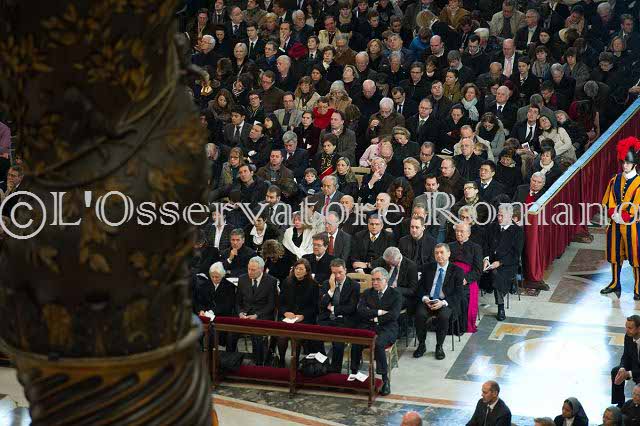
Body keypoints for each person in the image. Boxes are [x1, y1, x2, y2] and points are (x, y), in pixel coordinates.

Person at [350, 267, 402, 396]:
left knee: (379, 344)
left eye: (378, 279)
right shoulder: (367, 293)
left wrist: (373, 316)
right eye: (373, 280)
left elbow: (394, 315)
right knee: (357, 340)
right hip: (368, 325)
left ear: (386, 280)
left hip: (388, 327)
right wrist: (378, 312)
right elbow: (361, 311)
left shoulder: (395, 294)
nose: (374, 282)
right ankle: (354, 372)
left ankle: (384, 379)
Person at [600, 137, 640, 299]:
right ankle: (615, 282)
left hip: (633, 226)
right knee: (614, 253)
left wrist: (623, 215)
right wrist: (613, 213)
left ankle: (638, 286)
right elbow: (609, 199)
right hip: (616, 223)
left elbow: (637, 206)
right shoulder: (615, 179)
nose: (625, 166)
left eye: (628, 163)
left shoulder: (639, 183)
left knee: (636, 255)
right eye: (623, 162)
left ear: (635, 164)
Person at [414, 243, 464, 360]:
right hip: (429, 300)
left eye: (442, 252)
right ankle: (422, 344)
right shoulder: (427, 267)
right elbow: (420, 287)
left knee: (443, 317)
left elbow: (458, 293)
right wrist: (425, 298)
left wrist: (443, 303)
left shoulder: (457, 271)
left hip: (445, 302)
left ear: (449, 254)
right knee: (420, 314)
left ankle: (439, 346)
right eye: (436, 253)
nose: (439, 255)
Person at [317, 259, 360, 372]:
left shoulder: (354, 285)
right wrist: (331, 289)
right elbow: (321, 305)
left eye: (340, 272)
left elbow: (351, 308)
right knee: (314, 337)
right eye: (334, 273)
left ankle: (336, 370)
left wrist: (333, 309)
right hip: (327, 319)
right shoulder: (327, 284)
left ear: (345, 270)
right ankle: (323, 364)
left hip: (344, 320)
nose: (337, 276)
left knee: (338, 342)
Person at [483, 203, 524, 321]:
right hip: (490, 261)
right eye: (498, 215)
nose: (499, 218)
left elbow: (515, 254)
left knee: (496, 274)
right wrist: (486, 259)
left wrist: (500, 262)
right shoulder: (492, 227)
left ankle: (500, 307)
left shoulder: (517, 231)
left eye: (502, 216)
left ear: (510, 216)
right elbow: (485, 245)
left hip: (508, 264)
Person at [276, 259, 319, 367]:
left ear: (307, 271)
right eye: (296, 268)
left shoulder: (313, 285)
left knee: (296, 337)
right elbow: (280, 302)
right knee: (282, 337)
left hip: (304, 318)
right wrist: (285, 313)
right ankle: (281, 360)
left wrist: (303, 316)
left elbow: (314, 307)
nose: (298, 271)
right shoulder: (287, 282)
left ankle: (294, 363)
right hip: (288, 317)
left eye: (301, 269)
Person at [235, 257, 277, 365]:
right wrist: (240, 312)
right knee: (230, 333)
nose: (250, 272)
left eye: (253, 270)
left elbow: (271, 305)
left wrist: (257, 315)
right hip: (244, 314)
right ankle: (232, 361)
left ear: (261, 269)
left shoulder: (271, 281)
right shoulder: (242, 279)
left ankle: (258, 364)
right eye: (249, 269)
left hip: (262, 315)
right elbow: (237, 302)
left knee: (257, 334)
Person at [449, 222, 483, 333]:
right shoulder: (450, 246)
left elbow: (478, 270)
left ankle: (461, 327)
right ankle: (449, 326)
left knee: (462, 297)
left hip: (467, 281)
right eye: (457, 231)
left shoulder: (476, 248)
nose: (458, 234)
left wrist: (466, 279)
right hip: (451, 279)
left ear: (468, 233)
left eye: (461, 231)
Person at [194, 262, 237, 349]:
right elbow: (200, 302)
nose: (214, 279)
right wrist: (201, 310)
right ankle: (201, 352)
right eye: (212, 276)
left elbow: (227, 305)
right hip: (206, 315)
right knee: (197, 331)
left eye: (217, 277)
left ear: (222, 275)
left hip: (222, 315)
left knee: (214, 332)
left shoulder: (229, 286)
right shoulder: (204, 285)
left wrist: (212, 311)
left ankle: (216, 353)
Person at [371, 247, 418, 312]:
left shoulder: (411, 266)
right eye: (388, 263)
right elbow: (373, 267)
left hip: (399, 294)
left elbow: (412, 290)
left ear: (398, 258)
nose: (389, 265)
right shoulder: (385, 260)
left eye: (391, 263)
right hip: (382, 289)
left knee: (388, 305)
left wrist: (395, 289)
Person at [611, 315, 640, 407]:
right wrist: (622, 368)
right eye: (626, 327)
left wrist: (629, 374)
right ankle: (620, 404)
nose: (627, 330)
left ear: (639, 328)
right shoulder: (628, 337)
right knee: (616, 371)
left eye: (630, 328)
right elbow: (625, 355)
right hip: (634, 364)